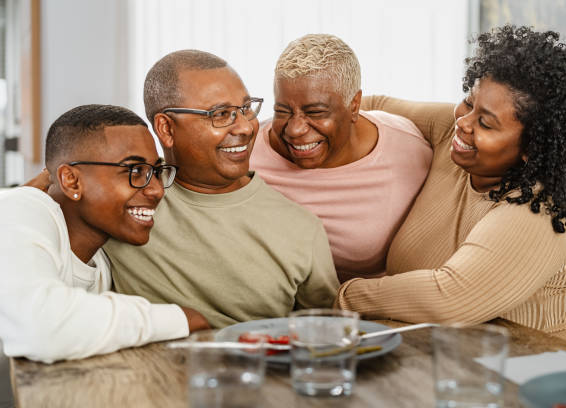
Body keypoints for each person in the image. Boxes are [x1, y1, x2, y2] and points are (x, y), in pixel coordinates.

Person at [336, 25, 566, 351]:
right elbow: (370, 106)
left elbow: (450, 297)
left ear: (533, 148)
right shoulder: (454, 133)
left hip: (557, 376)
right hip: (465, 363)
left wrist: (339, 294)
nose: (463, 123)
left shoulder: (541, 214)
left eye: (486, 122)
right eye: (468, 102)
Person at [104, 50, 338, 328]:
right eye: (221, 114)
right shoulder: (120, 201)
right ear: (166, 129)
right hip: (147, 368)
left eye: (246, 108)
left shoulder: (301, 229)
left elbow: (326, 338)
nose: (245, 128)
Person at [0, 104, 209, 364]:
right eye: (134, 171)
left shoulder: (101, 260)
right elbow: (41, 328)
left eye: (155, 171)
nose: (156, 190)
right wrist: (181, 319)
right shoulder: (20, 208)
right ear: (71, 180)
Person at [250, 34, 433, 283]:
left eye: (315, 112)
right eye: (282, 111)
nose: (294, 129)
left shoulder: (406, 151)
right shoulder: (245, 154)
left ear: (354, 105)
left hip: (367, 309)